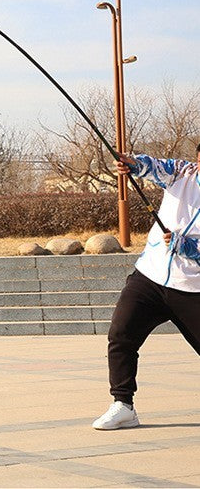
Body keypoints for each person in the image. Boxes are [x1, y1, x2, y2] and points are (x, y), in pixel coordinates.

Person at [92, 144, 200, 430]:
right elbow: (154, 166)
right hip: (150, 277)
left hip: (193, 288)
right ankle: (123, 404)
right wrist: (133, 164)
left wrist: (188, 247)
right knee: (121, 334)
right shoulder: (182, 173)